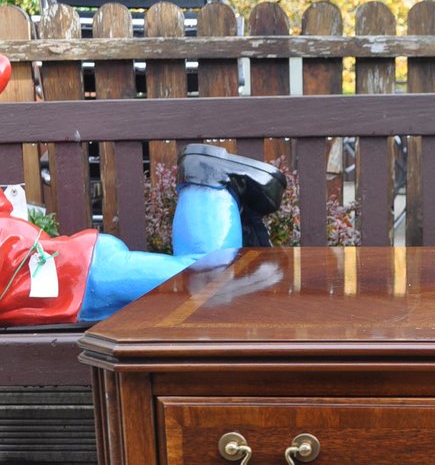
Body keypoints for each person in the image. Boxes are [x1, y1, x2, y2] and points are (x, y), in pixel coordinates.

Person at [0, 54, 285, 325]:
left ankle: (209, 186)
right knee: (203, 289)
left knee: (207, 282)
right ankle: (208, 191)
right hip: (73, 276)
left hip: (81, 277)